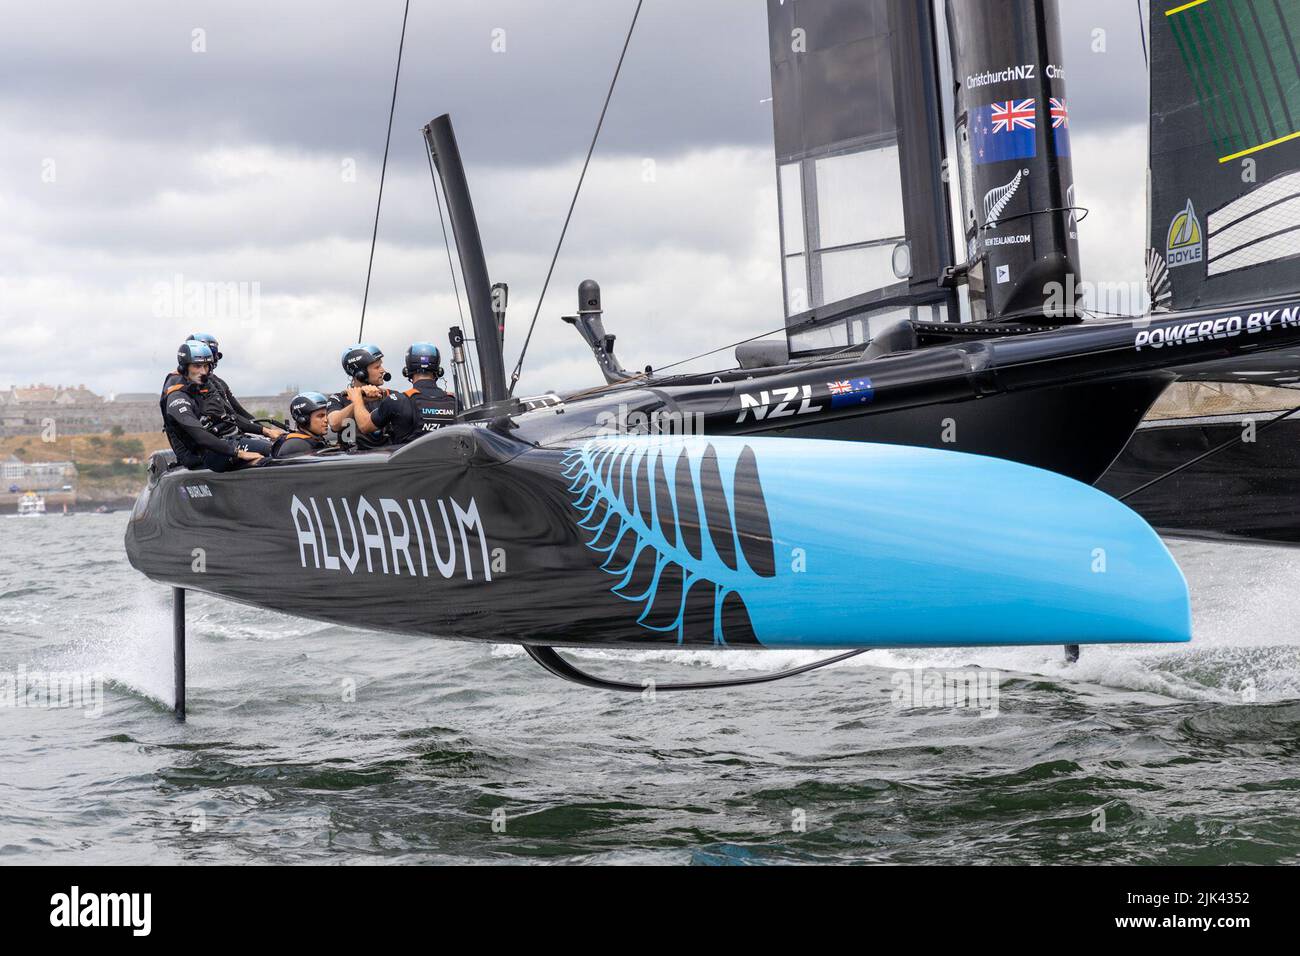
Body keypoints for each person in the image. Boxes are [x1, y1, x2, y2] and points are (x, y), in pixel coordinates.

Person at [161, 341, 264, 471]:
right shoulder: (177, 398)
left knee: (278, 447)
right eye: (197, 366)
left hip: (224, 445)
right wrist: (239, 453)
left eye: (206, 366)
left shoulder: (204, 386)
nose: (203, 371)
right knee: (271, 453)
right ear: (184, 368)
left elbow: (230, 416)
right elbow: (200, 436)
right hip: (204, 456)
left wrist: (265, 431)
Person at [188, 332, 283, 449]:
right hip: (216, 444)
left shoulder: (218, 382)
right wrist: (265, 431)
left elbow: (239, 412)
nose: (215, 359)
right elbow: (231, 416)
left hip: (233, 435)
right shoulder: (196, 385)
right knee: (272, 450)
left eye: (214, 354)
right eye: (211, 354)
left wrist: (267, 431)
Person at [360, 342, 459, 445]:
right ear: (438, 371)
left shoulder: (397, 401)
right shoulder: (455, 402)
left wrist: (357, 398)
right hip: (448, 460)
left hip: (411, 461)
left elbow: (364, 426)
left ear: (407, 371)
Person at [326, 344, 394, 450]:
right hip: (354, 463)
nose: (382, 370)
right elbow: (334, 423)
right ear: (360, 373)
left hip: (383, 461)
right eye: (377, 367)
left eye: (381, 365)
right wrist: (359, 399)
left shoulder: (391, 396)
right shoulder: (338, 398)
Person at [271, 392, 332, 459]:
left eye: (327, 415)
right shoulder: (298, 445)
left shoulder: (314, 440)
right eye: (320, 416)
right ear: (303, 419)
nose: (326, 420)